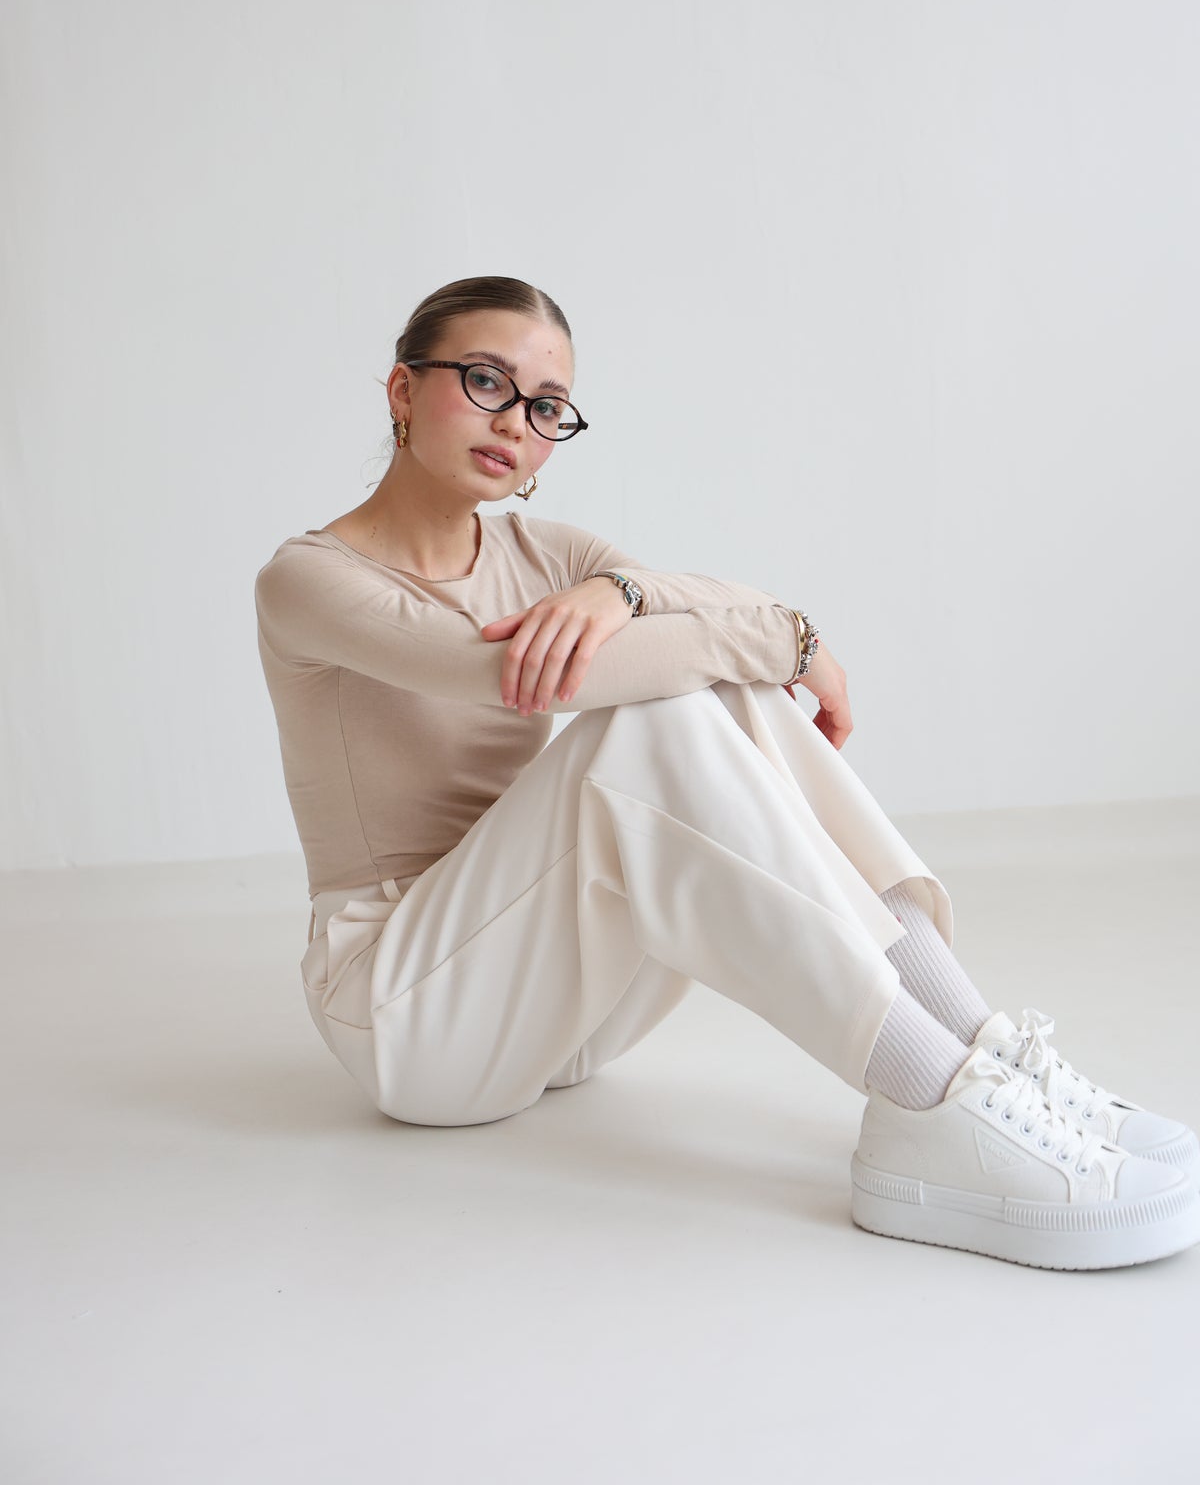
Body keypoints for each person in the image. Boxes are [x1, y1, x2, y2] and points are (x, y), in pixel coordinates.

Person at [254, 275, 1199, 1271]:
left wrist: (628, 594)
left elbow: (698, 617)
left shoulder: (549, 554)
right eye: (486, 381)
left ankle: (977, 1049)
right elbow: (507, 674)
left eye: (544, 406)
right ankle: (928, 1094)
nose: (514, 423)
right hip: (410, 1017)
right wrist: (794, 642)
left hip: (562, 1003)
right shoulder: (308, 580)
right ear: (403, 389)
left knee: (709, 693)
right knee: (662, 711)